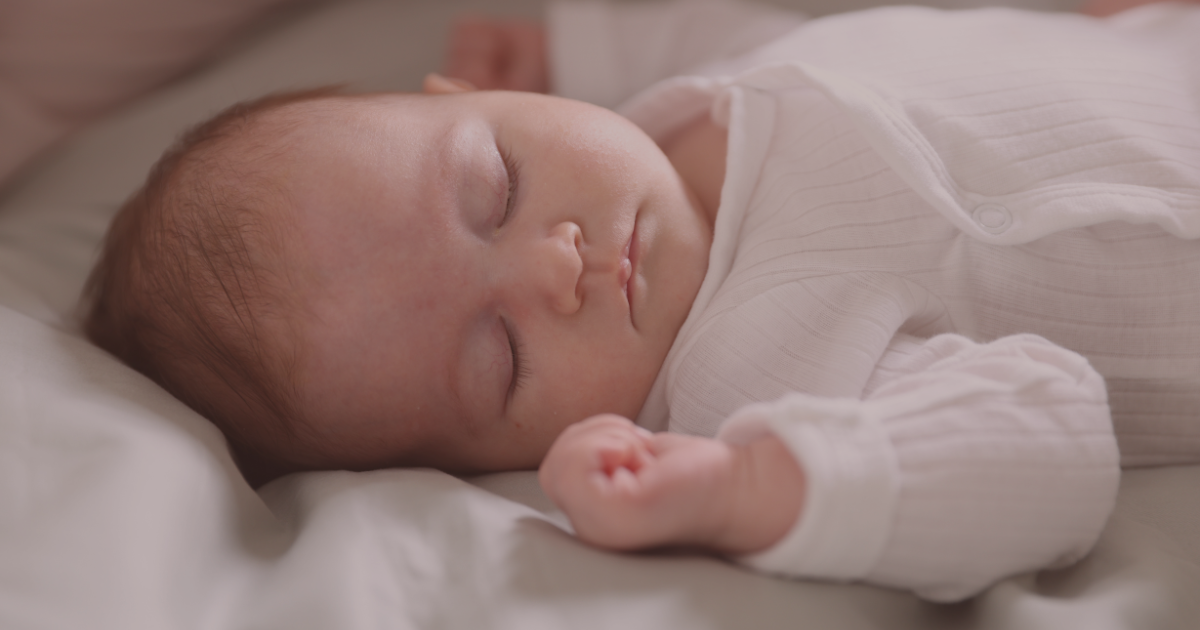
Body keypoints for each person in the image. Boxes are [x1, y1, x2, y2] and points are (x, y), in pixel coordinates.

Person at [82, 0, 1200, 602]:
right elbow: (1048, 439)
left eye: (496, 186)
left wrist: (569, 36)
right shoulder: (757, 370)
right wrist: (756, 485)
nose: (552, 270)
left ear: (483, 93)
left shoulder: (684, 77)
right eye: (499, 361)